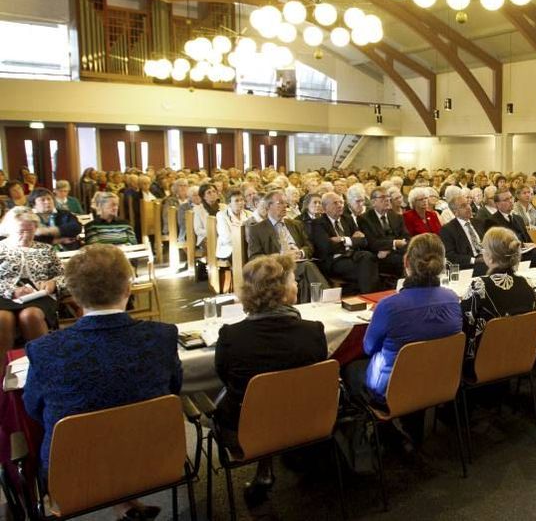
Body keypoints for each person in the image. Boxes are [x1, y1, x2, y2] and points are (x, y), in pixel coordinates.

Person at [22, 244, 180, 519]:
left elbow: (33, 409)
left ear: (73, 295)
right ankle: (127, 505)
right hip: (154, 457)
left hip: (75, 467)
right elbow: (173, 389)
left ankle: (124, 505)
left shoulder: (45, 350)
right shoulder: (162, 336)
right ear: (128, 288)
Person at [214, 254, 327, 504]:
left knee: (254, 402)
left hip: (246, 429)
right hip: (305, 419)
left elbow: (224, 376)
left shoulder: (232, 337)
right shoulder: (313, 332)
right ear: (283, 291)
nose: (297, 284)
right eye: (293, 281)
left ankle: (265, 470)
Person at [353, 234, 461, 441]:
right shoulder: (452, 299)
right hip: (441, 380)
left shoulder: (389, 306)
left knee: (352, 370)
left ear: (406, 262)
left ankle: (383, 435)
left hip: (394, 388)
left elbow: (368, 347)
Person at [460, 227, 536, 367]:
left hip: (484, 362)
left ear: (488, 256)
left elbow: (464, 326)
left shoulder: (480, 286)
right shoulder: (527, 284)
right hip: (521, 356)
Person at [246, 190, 329, 303]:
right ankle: (327, 298)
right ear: (269, 206)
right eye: (280, 203)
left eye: (285, 203)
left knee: (305, 270)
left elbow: (308, 246)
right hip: (278, 265)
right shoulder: (257, 229)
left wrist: (300, 253)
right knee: (307, 267)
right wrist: (281, 256)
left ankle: (309, 306)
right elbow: (254, 257)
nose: (285, 206)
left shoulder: (295, 224)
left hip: (299, 261)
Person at [0, 208, 61, 360]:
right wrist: (10, 291)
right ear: (9, 229)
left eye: (30, 230)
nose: (26, 236)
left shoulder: (46, 250)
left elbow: (64, 275)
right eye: (21, 231)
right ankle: (3, 374)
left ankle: (45, 366)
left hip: (38, 295)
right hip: (4, 294)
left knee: (30, 315)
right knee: (2, 318)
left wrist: (53, 282)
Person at [310, 192, 379, 294]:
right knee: (366, 266)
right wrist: (352, 240)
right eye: (335, 203)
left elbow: (363, 241)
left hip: (353, 256)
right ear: (325, 208)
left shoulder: (347, 219)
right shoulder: (318, 223)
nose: (340, 206)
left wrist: (343, 240)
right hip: (334, 261)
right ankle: (369, 295)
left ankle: (365, 295)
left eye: (341, 202)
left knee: (368, 257)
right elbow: (327, 247)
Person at [484, 191, 536, 267]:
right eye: (506, 200)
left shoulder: (518, 218)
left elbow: (528, 239)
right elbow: (498, 245)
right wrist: (523, 245)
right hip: (509, 255)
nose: (510, 201)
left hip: (524, 252)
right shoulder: (492, 221)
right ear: (497, 204)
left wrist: (531, 245)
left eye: (511, 198)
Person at [360, 186, 410, 278]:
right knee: (403, 261)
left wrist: (390, 248)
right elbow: (372, 242)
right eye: (383, 197)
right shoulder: (365, 219)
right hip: (378, 256)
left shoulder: (396, 216)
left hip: (394, 252)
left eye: (388, 197)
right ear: (373, 202)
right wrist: (394, 243)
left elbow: (406, 238)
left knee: (415, 256)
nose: (387, 200)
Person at [438, 193, 487, 276]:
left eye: (468, 204)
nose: (468, 207)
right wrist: (475, 260)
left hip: (488, 261)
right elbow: (450, 256)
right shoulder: (447, 230)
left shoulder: (478, 223)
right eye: (463, 206)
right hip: (468, 267)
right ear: (455, 212)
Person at [215, 188, 253, 264]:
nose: (240, 203)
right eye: (236, 201)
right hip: (229, 249)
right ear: (229, 203)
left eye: (242, 200)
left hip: (247, 246)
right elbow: (226, 238)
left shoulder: (249, 214)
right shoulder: (222, 215)